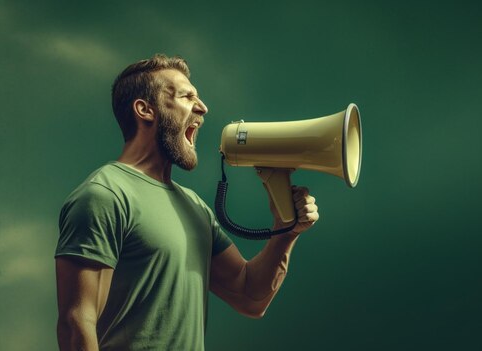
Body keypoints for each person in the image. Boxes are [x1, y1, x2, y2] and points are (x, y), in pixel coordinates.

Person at [55, 54, 319, 350]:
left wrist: (286, 229)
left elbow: (250, 296)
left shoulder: (195, 207)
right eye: (187, 96)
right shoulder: (105, 195)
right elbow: (77, 321)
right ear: (145, 110)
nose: (203, 107)